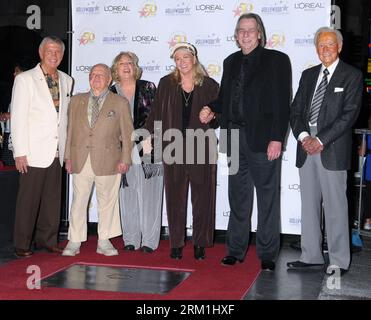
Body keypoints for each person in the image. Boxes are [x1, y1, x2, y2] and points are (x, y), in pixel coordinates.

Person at [199, 13, 291, 271]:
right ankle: (235, 250)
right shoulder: (230, 61)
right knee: (238, 198)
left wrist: (277, 138)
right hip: (233, 139)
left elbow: (283, 103)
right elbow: (225, 99)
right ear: (236, 35)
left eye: (251, 30)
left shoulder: (277, 60)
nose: (246, 34)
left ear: (260, 34)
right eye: (241, 30)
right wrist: (210, 108)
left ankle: (268, 254)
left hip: (263, 141)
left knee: (267, 199)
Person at [288, 27, 363, 276]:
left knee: (336, 207)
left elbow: (349, 114)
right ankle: (310, 256)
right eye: (321, 45)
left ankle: (339, 261)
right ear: (316, 49)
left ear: (339, 47)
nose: (326, 49)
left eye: (330, 44)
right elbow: (296, 111)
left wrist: (320, 139)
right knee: (308, 205)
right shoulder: (308, 75)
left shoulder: (351, 76)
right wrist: (304, 137)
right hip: (306, 147)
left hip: (332, 148)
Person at [145, 42, 219, 260]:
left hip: (202, 147)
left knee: (203, 196)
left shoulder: (210, 85)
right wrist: (148, 134)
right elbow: (156, 112)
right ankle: (176, 243)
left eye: (185, 57)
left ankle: (200, 242)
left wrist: (213, 116)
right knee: (175, 197)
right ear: (174, 62)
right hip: (173, 146)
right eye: (177, 58)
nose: (182, 61)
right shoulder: (166, 84)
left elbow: (220, 118)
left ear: (194, 59)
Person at [10, 36, 73, 257]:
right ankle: (22, 243)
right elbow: (17, 118)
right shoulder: (25, 80)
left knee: (52, 200)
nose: (53, 55)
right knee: (28, 200)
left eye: (58, 52)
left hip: (57, 150)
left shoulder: (67, 80)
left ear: (62, 55)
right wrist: (19, 152)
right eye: (49, 51)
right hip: (32, 150)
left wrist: (67, 152)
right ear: (41, 53)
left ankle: (47, 240)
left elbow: (64, 119)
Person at [62, 63, 133, 257]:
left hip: (110, 160)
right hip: (80, 159)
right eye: (93, 74)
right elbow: (70, 133)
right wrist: (68, 157)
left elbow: (127, 134)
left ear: (109, 79)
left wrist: (126, 158)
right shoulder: (76, 101)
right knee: (78, 201)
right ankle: (74, 240)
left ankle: (104, 241)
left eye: (101, 75)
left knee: (108, 202)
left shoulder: (120, 102)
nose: (96, 78)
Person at [110, 51, 163, 253]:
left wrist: (153, 138)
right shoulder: (111, 92)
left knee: (151, 194)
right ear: (116, 68)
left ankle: (149, 241)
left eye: (130, 63)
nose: (126, 66)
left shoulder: (149, 87)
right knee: (127, 193)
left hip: (149, 145)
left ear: (135, 67)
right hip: (122, 149)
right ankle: (131, 238)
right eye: (121, 63)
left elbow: (159, 116)